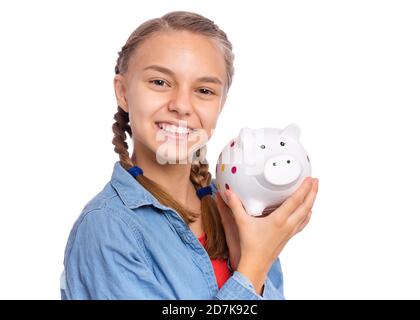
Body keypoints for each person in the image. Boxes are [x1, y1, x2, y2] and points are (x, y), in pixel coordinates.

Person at [60, 10, 319, 300]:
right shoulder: (106, 229)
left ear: (220, 104)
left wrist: (252, 258)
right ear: (122, 91)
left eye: (204, 90)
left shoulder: (238, 210)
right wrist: (253, 266)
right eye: (160, 82)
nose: (182, 105)